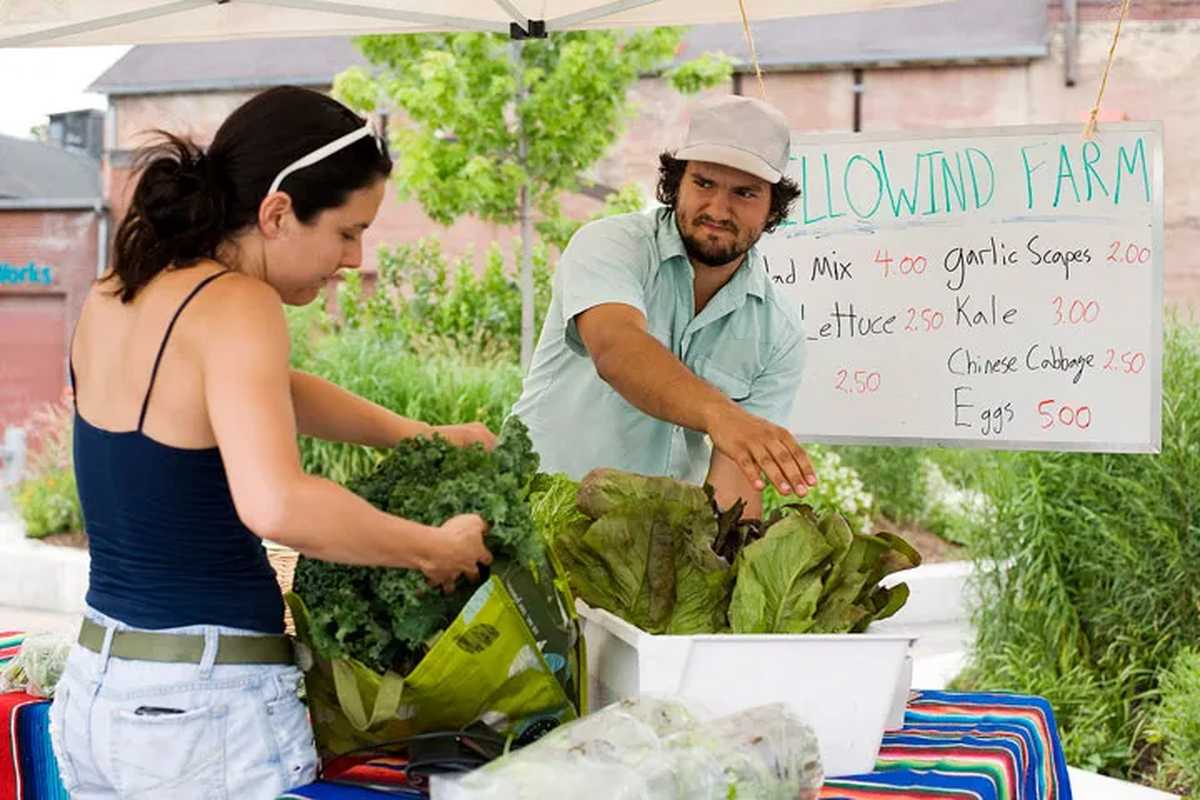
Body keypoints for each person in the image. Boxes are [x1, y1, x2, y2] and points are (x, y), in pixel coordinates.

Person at [48, 85, 495, 799]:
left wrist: (419, 434)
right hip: (203, 714)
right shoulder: (239, 303)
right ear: (278, 211)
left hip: (103, 690)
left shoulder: (123, 287)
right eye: (347, 232)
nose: (353, 259)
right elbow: (277, 505)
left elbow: (266, 390)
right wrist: (431, 547)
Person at [514, 94, 816, 518]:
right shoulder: (611, 245)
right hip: (539, 522)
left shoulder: (778, 332)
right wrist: (719, 414)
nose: (718, 208)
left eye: (744, 193)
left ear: (773, 208)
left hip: (651, 555)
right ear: (677, 183)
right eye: (704, 183)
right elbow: (616, 348)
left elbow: (734, 484)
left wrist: (736, 568)